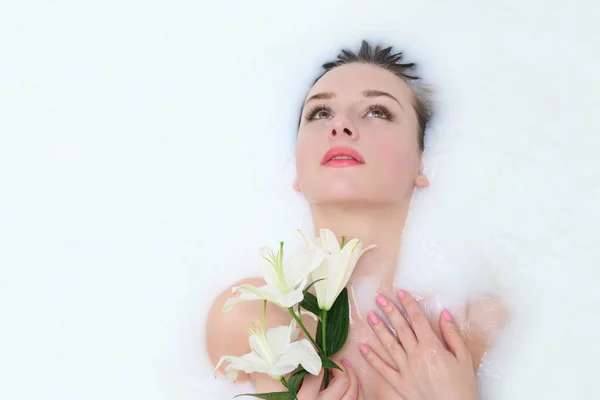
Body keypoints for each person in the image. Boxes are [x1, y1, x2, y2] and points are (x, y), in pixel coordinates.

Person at [206, 40, 508, 399]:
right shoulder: (250, 320)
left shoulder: (473, 326)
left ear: (422, 163)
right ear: (297, 173)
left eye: (377, 111)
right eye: (320, 113)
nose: (341, 125)